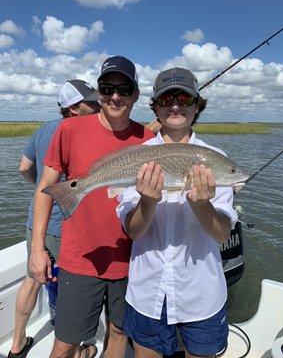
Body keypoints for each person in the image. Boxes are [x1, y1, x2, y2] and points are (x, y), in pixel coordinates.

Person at [29, 56, 154, 358]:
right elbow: (45, 190)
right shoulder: (69, 130)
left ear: (136, 94)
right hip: (79, 258)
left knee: (119, 333)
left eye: (124, 89)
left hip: (131, 260)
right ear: (98, 92)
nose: (115, 96)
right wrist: (37, 250)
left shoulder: (150, 140)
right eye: (107, 88)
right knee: (65, 343)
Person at [116, 67, 238, 358]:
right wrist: (147, 202)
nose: (175, 106)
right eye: (166, 99)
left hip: (201, 294)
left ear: (197, 106)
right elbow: (132, 231)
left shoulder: (214, 159)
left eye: (184, 99)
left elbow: (222, 234)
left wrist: (201, 204)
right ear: (155, 107)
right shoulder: (138, 157)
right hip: (148, 292)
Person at [7, 80, 100, 358]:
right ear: (73, 108)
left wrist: (42, 187)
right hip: (66, 225)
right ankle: (80, 348)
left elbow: (24, 167)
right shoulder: (82, 131)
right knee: (75, 289)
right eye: (91, 103)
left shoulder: (43, 129)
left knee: (31, 280)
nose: (98, 106)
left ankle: (16, 343)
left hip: (36, 221)